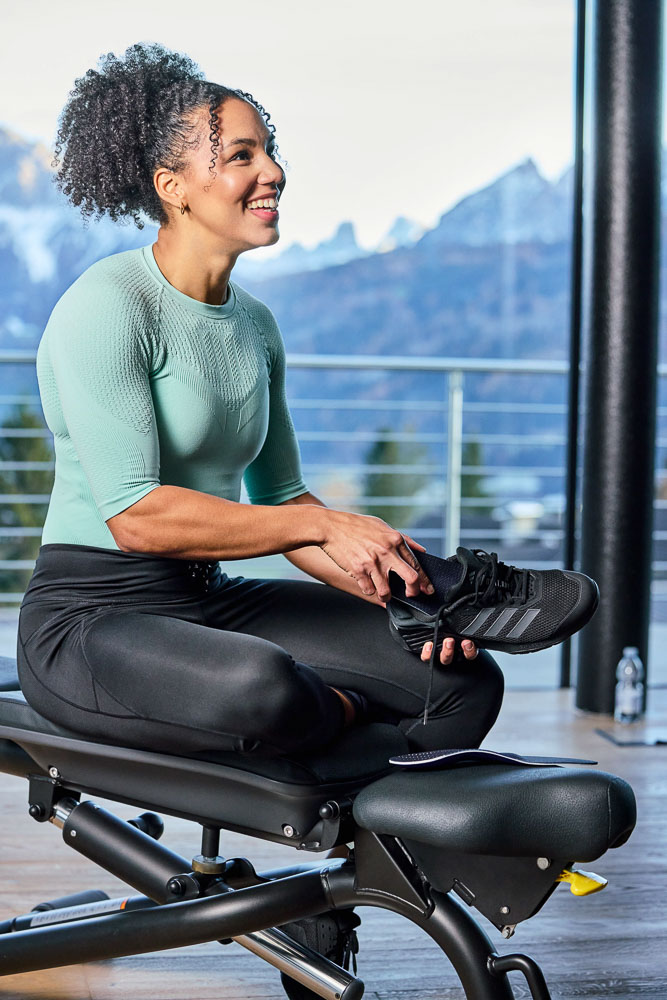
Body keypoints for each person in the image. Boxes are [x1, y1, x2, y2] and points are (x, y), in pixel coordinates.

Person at [17, 43, 504, 761]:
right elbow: (136, 518)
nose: (272, 171)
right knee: (262, 685)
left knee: (459, 680)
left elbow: (282, 497)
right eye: (240, 155)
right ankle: (335, 715)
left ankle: (375, 864)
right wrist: (330, 527)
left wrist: (402, 597)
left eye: (268, 151)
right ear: (173, 186)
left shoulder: (254, 325)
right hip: (89, 618)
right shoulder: (109, 305)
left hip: (206, 599)